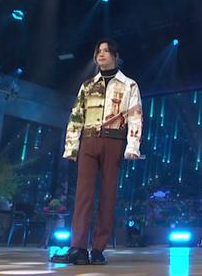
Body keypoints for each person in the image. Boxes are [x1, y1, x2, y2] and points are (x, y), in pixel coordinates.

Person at [51, 39, 142, 265]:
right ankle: (78, 248)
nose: (101, 54)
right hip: (89, 141)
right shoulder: (88, 85)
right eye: (98, 51)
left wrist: (132, 146)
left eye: (106, 51)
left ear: (115, 55)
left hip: (114, 141)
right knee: (83, 195)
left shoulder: (129, 85)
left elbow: (135, 116)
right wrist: (71, 146)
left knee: (108, 195)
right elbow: (76, 116)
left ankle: (99, 249)